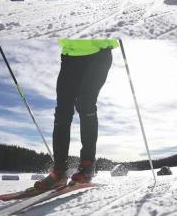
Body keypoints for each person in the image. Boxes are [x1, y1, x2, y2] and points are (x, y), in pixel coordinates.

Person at [34, 39, 118, 190]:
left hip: (98, 53)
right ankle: (59, 171)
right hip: (69, 56)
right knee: (62, 112)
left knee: (86, 105)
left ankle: (87, 167)